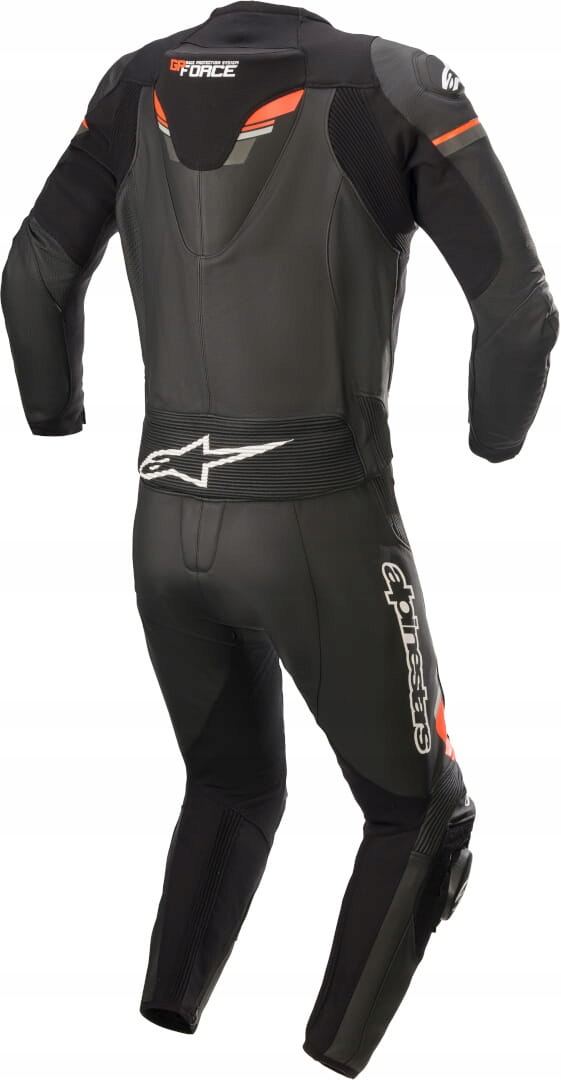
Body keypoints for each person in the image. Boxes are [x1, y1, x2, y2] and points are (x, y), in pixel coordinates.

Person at [2, 4, 557, 1075]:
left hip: (164, 525)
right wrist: (496, 444)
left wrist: (52, 413)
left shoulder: (134, 84)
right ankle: (330, 1057)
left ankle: (162, 1025)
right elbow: (520, 309)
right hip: (322, 521)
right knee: (420, 817)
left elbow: (32, 272)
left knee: (233, 786)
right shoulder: (391, 84)